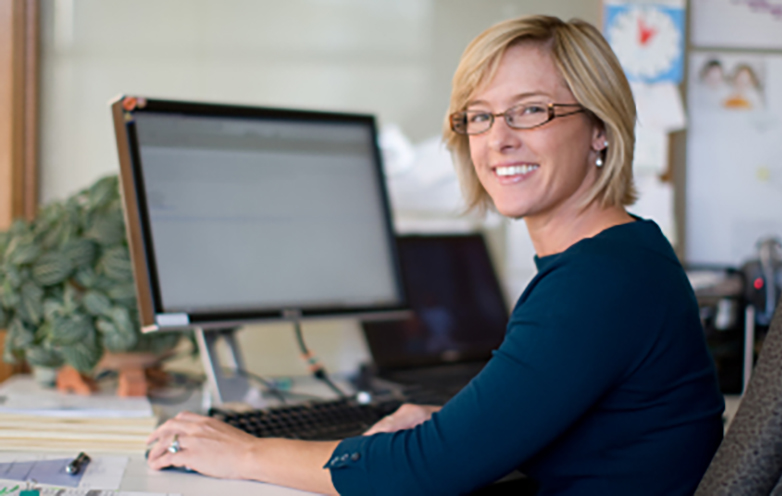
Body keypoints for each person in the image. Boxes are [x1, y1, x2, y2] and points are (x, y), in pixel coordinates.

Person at [146, 15, 724, 495]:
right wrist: (449, 425)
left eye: (530, 110)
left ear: (600, 128)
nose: (498, 139)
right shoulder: (625, 255)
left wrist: (246, 452)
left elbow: (429, 470)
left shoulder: (599, 281)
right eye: (480, 116)